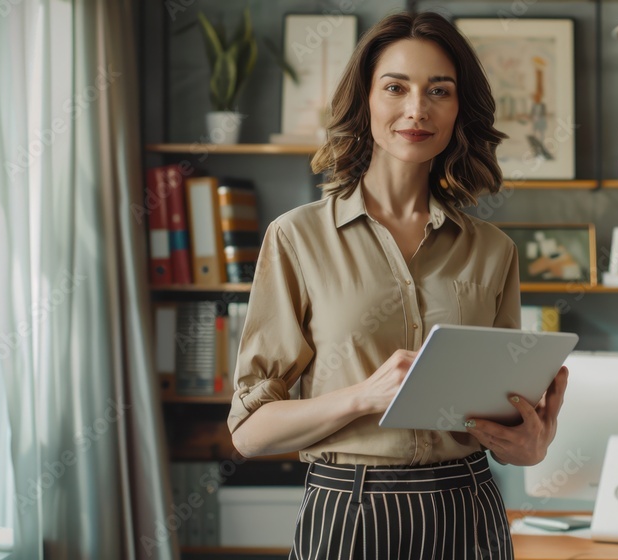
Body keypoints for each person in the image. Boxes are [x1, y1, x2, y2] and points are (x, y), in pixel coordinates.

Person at [227, 11, 569, 560]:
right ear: (365, 100)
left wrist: (532, 444)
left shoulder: (493, 250)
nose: (417, 109)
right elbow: (248, 432)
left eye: (440, 90)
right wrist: (364, 396)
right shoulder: (296, 238)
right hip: (348, 511)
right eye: (396, 87)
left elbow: (506, 418)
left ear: (460, 109)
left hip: (468, 506)